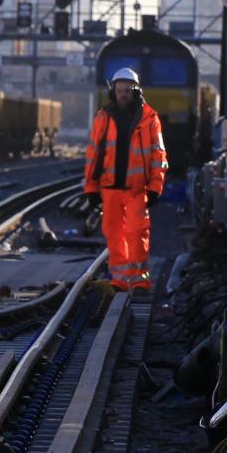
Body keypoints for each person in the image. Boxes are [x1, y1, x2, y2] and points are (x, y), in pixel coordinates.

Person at [83, 67, 168, 290]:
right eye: (119, 90)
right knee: (114, 234)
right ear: (114, 91)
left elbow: (159, 156)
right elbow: (94, 154)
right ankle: (120, 279)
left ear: (135, 91)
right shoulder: (103, 117)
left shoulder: (150, 119)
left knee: (136, 233)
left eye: (127, 90)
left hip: (137, 190)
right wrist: (91, 188)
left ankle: (139, 280)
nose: (123, 94)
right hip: (110, 188)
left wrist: (155, 188)